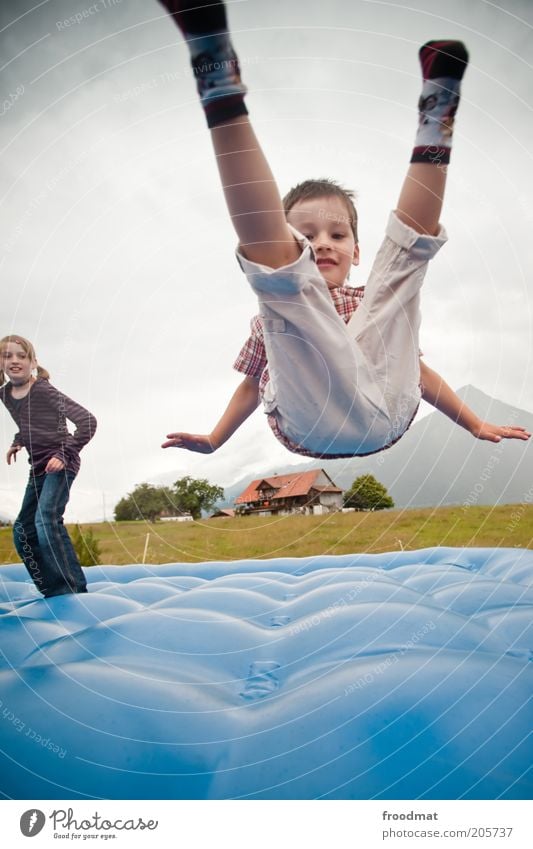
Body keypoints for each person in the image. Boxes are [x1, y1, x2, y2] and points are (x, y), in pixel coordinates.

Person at [158, 0, 530, 458]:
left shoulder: (368, 302)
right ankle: (217, 79)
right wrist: (215, 437)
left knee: (401, 273)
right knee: (282, 288)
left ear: (356, 251)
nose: (321, 244)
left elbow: (417, 374)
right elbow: (253, 386)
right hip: (310, 421)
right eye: (306, 237)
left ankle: (437, 118)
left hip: (391, 409)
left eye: (336, 235)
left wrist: (473, 423)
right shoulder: (271, 321)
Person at [0, 335, 97, 598]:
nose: (15, 361)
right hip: (38, 467)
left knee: (46, 520)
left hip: (63, 462)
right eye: (7, 356)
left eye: (21, 356)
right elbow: (27, 422)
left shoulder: (42, 389)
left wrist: (64, 454)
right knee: (22, 531)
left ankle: (74, 589)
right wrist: (17, 441)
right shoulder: (6, 394)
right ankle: (52, 590)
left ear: (32, 362)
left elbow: (87, 420)